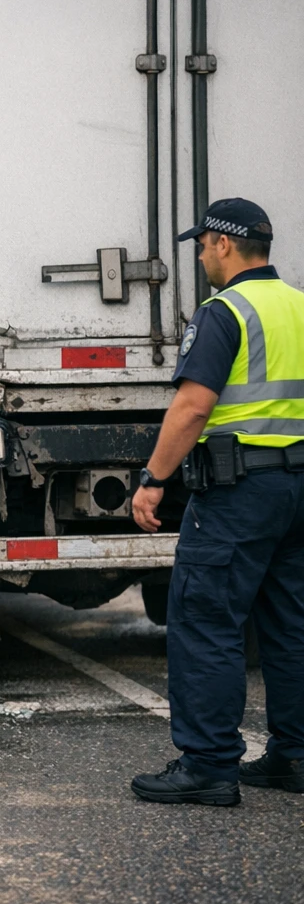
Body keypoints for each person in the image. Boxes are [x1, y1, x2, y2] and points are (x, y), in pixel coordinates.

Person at [130, 197, 304, 804]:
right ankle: (294, 756)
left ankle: (208, 765)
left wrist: (154, 479)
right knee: (290, 627)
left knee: (206, 620)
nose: (201, 254)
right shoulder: (299, 307)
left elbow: (193, 406)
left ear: (225, 244)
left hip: (239, 492)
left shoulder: (225, 310)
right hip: (297, 488)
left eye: (203, 244)